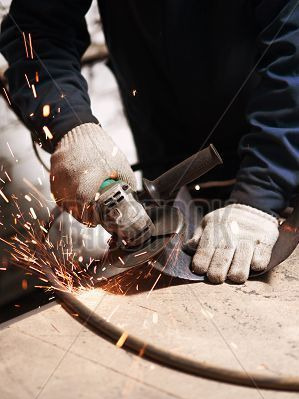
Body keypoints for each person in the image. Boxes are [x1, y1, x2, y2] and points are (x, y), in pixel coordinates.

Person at [0, 0, 298, 284]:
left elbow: (293, 56)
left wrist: (262, 190)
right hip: (166, 153)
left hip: (278, 156)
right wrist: (71, 128)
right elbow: (37, 31)